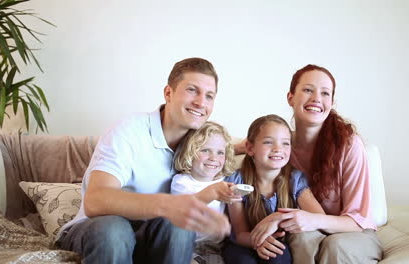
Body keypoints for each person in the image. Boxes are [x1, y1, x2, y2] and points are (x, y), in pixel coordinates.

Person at [56, 57, 231, 264]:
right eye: (192, 90)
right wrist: (168, 204)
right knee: (115, 229)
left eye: (209, 96)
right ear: (168, 93)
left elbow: (232, 148)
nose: (201, 102)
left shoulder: (200, 143)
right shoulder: (129, 130)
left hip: (151, 235)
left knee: (179, 225)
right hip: (99, 230)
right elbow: (96, 200)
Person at [245, 65, 383, 263]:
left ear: (332, 102)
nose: (317, 98)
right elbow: (242, 144)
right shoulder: (281, 147)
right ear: (290, 97)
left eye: (325, 93)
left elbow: (358, 221)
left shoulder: (349, 145)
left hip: (354, 235)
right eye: (308, 90)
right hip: (309, 231)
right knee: (300, 237)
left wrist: (312, 219)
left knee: (334, 245)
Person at [223, 114, 325, 264]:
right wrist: (257, 241)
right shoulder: (237, 181)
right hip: (244, 243)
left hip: (277, 243)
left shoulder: (295, 180)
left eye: (285, 143)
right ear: (250, 148)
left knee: (278, 255)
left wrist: (277, 218)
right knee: (242, 260)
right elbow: (240, 234)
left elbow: (318, 217)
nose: (278, 149)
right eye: (268, 142)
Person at [171, 121, 242, 264]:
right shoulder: (181, 182)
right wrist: (213, 192)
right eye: (205, 150)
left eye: (220, 152)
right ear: (190, 152)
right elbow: (185, 207)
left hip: (213, 248)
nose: (213, 158)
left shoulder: (225, 181)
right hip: (185, 246)